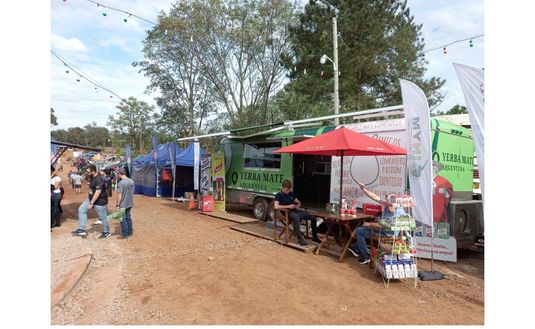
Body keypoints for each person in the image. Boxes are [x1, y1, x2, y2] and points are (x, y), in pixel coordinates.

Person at [348, 182, 406, 264]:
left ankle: (365, 255)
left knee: (360, 231)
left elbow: (388, 226)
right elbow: (375, 197)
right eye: (387, 204)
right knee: (361, 228)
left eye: (390, 205)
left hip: (388, 234)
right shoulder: (387, 204)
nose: (388, 206)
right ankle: (357, 248)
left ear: (396, 204)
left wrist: (371, 224)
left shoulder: (400, 213)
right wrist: (363, 189)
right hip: (383, 231)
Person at [273, 180, 321, 246]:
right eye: (287, 190)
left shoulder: (291, 193)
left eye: (289, 190)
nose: (288, 191)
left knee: (312, 217)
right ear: (283, 188)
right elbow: (276, 206)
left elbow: (298, 202)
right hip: (287, 212)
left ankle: (314, 237)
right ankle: (300, 240)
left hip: (295, 211)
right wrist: (289, 206)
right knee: (296, 217)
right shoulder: (279, 195)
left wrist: (298, 204)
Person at [72, 164, 110, 238]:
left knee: (103, 217)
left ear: (93, 171)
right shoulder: (92, 177)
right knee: (81, 209)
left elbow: (98, 192)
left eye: (89, 172)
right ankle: (82, 229)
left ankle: (106, 232)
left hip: (99, 201)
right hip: (90, 198)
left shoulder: (99, 179)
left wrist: (91, 203)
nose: (88, 173)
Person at [116, 167, 135, 239]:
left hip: (123, 204)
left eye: (118, 173)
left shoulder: (121, 183)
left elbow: (119, 195)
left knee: (122, 219)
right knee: (128, 217)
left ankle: (125, 234)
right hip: (129, 202)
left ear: (119, 174)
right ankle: (130, 232)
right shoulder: (131, 181)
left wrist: (117, 205)